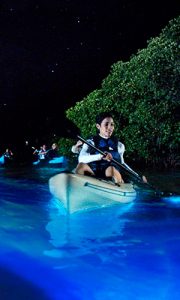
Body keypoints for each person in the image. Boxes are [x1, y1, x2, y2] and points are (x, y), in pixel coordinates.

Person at [75, 112, 147, 185]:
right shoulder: (90, 143)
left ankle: (119, 186)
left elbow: (122, 164)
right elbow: (81, 159)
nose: (110, 128)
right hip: (94, 172)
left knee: (112, 169)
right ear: (98, 126)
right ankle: (79, 186)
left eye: (112, 124)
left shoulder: (120, 146)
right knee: (81, 166)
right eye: (106, 124)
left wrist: (137, 177)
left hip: (110, 173)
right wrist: (100, 156)